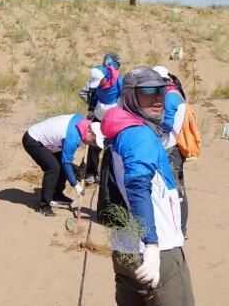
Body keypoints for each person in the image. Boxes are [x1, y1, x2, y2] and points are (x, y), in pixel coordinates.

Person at [100, 67, 194, 306]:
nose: (157, 97)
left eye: (162, 90)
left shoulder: (119, 127)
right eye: (148, 91)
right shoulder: (139, 135)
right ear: (130, 95)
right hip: (156, 247)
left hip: (125, 245)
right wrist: (152, 245)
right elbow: (137, 185)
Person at [22, 114, 104, 217]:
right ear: (88, 131)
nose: (93, 144)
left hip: (52, 143)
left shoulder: (83, 123)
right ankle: (44, 206)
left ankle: (57, 195)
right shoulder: (72, 139)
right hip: (33, 140)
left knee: (61, 164)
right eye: (93, 141)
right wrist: (75, 185)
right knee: (53, 168)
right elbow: (66, 164)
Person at [153, 65, 190, 239]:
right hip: (173, 147)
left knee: (175, 190)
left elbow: (167, 124)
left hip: (170, 148)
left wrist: (151, 126)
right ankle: (179, 228)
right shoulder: (175, 92)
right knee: (177, 188)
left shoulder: (169, 97)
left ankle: (179, 229)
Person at [81, 52, 123, 184]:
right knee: (94, 144)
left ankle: (111, 173)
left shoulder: (119, 81)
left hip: (114, 118)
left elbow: (126, 98)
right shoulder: (96, 77)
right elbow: (88, 93)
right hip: (99, 116)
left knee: (113, 146)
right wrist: (91, 109)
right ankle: (91, 173)